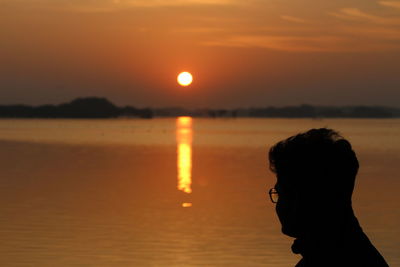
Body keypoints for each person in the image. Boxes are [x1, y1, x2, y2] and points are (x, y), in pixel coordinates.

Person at [268, 128, 388, 267]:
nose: (280, 206)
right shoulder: (351, 250)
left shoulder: (339, 259)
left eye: (286, 194)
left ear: (314, 197)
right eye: (278, 194)